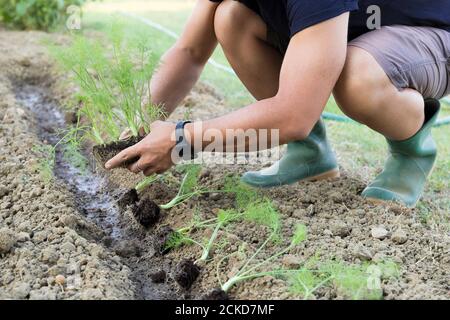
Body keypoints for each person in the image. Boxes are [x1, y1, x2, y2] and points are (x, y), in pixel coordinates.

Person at [105, 0, 450, 208]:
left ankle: (412, 151)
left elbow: (294, 114)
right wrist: (140, 124)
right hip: (351, 29)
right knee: (231, 17)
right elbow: (190, 52)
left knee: (355, 76)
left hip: (426, 33)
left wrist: (181, 141)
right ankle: (310, 154)